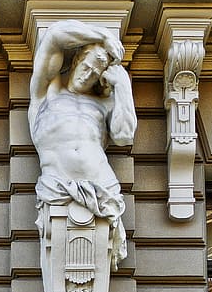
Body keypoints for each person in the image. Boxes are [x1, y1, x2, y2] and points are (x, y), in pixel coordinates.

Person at [28, 20, 136, 268]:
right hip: (57, 183)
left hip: (101, 185)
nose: (87, 75)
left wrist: (122, 85)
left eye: (94, 74)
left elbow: (124, 135)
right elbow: (54, 35)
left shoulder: (102, 104)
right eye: (86, 67)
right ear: (76, 60)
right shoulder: (47, 92)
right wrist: (104, 35)